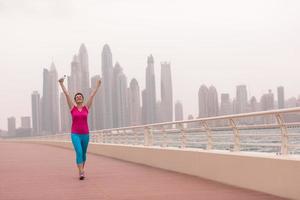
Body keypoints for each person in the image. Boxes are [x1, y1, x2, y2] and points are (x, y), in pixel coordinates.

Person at [59, 77, 101, 180]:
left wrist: (98, 85)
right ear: (75, 99)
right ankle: (81, 172)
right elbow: (67, 94)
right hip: (75, 134)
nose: (78, 97)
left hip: (85, 134)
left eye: (80, 96)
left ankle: (81, 168)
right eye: (77, 97)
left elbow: (92, 95)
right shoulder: (72, 108)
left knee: (84, 154)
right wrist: (61, 84)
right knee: (79, 152)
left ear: (82, 99)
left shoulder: (86, 108)